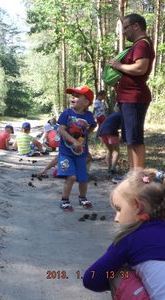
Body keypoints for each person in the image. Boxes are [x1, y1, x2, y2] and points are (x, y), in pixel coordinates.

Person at [83, 169, 165, 299]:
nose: (116, 218)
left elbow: (91, 278)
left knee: (118, 272)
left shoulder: (130, 238)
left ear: (137, 205)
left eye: (119, 209)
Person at [108, 13, 155, 171]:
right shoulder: (137, 45)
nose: (124, 32)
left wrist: (118, 66)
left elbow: (140, 68)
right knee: (129, 139)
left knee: (135, 139)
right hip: (127, 98)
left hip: (135, 98)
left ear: (136, 26)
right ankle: (132, 175)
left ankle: (138, 178)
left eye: (126, 27)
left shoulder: (142, 44)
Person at [57, 86, 97, 211]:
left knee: (83, 178)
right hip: (66, 153)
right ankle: (64, 200)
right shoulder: (66, 113)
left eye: (77, 96)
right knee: (71, 177)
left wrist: (86, 134)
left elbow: (92, 126)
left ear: (86, 102)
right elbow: (61, 130)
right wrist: (73, 140)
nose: (73, 97)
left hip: (81, 153)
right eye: (72, 95)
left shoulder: (89, 116)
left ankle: (82, 197)